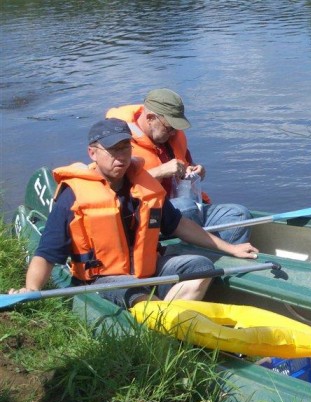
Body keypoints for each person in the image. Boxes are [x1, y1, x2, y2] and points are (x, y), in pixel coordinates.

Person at [8, 118, 258, 308]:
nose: (122, 157)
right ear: (92, 153)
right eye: (113, 150)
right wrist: (30, 289)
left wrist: (231, 249)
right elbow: (47, 253)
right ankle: (160, 320)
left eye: (126, 148)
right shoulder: (73, 196)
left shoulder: (144, 185)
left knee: (202, 266)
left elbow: (179, 225)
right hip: (102, 278)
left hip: (147, 269)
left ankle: (167, 317)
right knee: (133, 293)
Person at [106, 88, 252, 244]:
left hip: (191, 210)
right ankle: (202, 250)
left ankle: (210, 255)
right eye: (169, 128)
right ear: (150, 118)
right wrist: (160, 171)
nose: (174, 133)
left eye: (176, 129)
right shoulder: (119, 142)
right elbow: (113, 188)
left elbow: (187, 164)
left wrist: (196, 171)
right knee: (186, 206)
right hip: (155, 218)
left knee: (239, 215)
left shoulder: (172, 137)